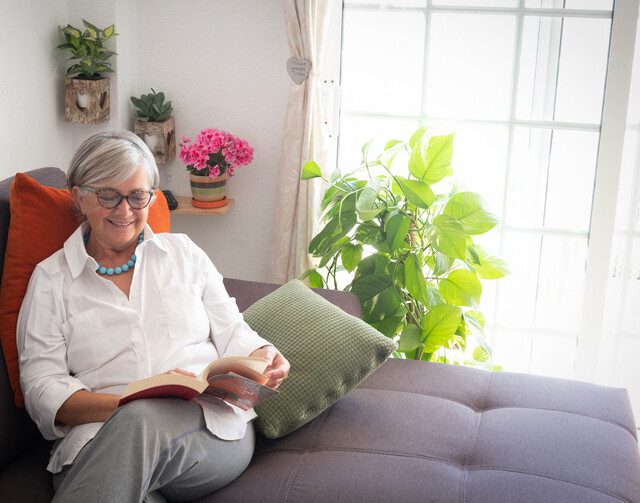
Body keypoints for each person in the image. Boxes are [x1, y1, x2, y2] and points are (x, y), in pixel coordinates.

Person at [16, 130, 290, 502]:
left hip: (207, 430)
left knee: (140, 422)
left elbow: (234, 332)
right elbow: (42, 390)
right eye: (108, 196)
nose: (124, 211)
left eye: (137, 196)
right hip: (95, 438)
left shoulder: (185, 254)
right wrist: (127, 403)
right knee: (135, 438)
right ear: (79, 198)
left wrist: (263, 356)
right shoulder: (51, 280)